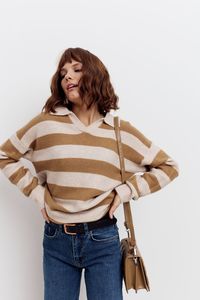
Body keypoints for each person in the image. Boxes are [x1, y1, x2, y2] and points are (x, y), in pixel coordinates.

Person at [0, 47, 179, 300]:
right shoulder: (46, 124)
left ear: (95, 75)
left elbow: (169, 166)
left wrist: (126, 191)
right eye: (63, 73)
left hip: (103, 239)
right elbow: (5, 155)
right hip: (56, 240)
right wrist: (38, 194)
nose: (67, 77)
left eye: (76, 70)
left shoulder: (118, 130)